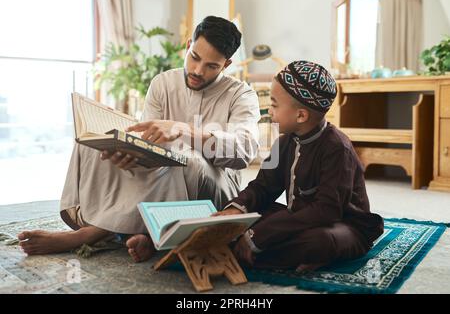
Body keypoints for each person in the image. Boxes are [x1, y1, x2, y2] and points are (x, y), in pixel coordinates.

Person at [18, 16, 261, 262]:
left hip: (213, 182)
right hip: (159, 172)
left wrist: (182, 130)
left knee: (187, 159)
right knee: (91, 144)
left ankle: (93, 233)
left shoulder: (241, 95)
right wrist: (129, 154)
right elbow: (148, 144)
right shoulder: (163, 83)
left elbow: (244, 151)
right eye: (195, 57)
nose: (198, 70)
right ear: (188, 45)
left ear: (226, 64)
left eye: (212, 66)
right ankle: (140, 231)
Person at [214, 60, 384, 271]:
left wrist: (258, 237)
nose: (269, 110)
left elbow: (326, 211)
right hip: (298, 219)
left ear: (301, 115)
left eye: (274, 104)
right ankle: (263, 251)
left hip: (342, 225)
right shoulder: (285, 142)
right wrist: (236, 211)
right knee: (248, 216)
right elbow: (263, 187)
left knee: (319, 241)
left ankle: (255, 253)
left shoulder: (337, 149)